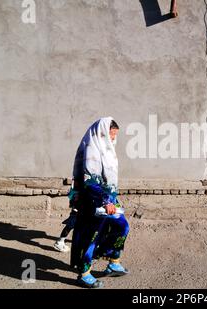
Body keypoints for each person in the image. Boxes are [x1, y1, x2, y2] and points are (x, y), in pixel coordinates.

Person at [69, 117, 130, 288]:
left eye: (114, 137)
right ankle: (84, 273)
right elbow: (89, 181)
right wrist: (104, 200)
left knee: (122, 227)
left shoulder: (107, 150)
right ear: (100, 134)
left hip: (109, 200)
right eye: (110, 136)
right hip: (92, 201)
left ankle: (113, 262)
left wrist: (111, 198)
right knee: (90, 236)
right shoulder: (92, 149)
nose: (112, 140)